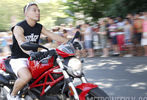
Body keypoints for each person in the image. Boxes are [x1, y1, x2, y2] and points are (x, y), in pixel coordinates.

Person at [7, 2, 67, 100]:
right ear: (26, 13)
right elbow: (21, 41)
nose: (38, 12)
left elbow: (52, 35)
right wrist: (30, 52)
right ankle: (12, 95)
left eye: (38, 10)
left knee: (52, 71)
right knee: (26, 77)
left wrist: (70, 42)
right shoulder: (18, 27)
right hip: (19, 59)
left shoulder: (39, 27)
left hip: (34, 58)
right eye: (34, 10)